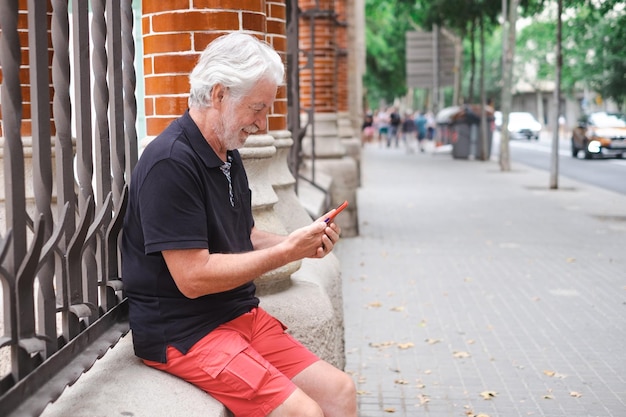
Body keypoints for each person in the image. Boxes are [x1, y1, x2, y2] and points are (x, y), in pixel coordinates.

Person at [121, 32, 357, 417]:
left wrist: (299, 241)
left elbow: (243, 236)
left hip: (237, 314)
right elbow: (193, 276)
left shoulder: (227, 153)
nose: (262, 124)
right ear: (219, 95)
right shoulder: (170, 162)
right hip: (186, 333)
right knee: (304, 413)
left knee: (340, 391)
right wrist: (286, 252)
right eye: (257, 108)